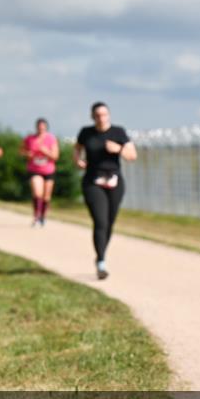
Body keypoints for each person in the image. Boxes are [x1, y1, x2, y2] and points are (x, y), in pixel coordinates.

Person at [75, 102, 137, 279]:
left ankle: (101, 253)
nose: (101, 118)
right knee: (100, 221)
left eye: (104, 114)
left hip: (114, 181)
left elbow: (132, 156)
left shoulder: (118, 132)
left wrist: (118, 149)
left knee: (109, 222)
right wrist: (77, 160)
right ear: (92, 117)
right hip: (92, 181)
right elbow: (77, 148)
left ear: (109, 115)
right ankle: (101, 261)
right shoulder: (86, 133)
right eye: (98, 115)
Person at [22, 118, 60, 227]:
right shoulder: (29, 138)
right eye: (39, 127)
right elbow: (21, 151)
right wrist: (27, 154)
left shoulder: (51, 139)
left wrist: (46, 151)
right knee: (37, 193)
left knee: (46, 196)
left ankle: (43, 216)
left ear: (46, 128)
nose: (41, 129)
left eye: (43, 127)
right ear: (36, 127)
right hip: (34, 169)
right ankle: (36, 216)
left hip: (48, 170)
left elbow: (56, 156)